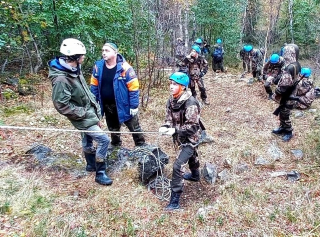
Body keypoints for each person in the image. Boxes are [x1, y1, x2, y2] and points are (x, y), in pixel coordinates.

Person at [49, 38, 112, 185]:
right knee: (104, 140)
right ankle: (100, 172)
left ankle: (90, 165)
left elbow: (84, 91)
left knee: (87, 137)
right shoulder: (61, 79)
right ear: (75, 57)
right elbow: (61, 105)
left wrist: (94, 109)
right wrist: (85, 114)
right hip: (80, 114)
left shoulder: (73, 69)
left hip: (87, 110)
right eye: (82, 55)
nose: (84, 57)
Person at [158, 72, 201, 210]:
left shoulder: (191, 102)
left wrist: (176, 131)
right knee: (191, 155)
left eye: (175, 84)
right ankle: (195, 175)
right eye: (170, 83)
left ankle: (174, 202)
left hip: (190, 138)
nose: (171, 86)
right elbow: (169, 119)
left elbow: (193, 126)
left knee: (178, 166)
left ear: (183, 87)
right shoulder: (171, 100)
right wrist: (166, 126)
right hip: (179, 137)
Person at [90, 43, 146, 148]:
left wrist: (134, 105)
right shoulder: (98, 66)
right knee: (113, 128)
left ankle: (141, 146)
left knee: (134, 127)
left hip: (125, 105)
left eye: (107, 50)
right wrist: (94, 102)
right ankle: (116, 147)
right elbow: (94, 86)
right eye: (103, 50)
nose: (104, 53)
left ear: (115, 52)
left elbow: (133, 88)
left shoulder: (124, 67)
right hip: (108, 105)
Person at [271, 43, 301, 142]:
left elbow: (284, 87)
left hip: (288, 95)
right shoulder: (296, 64)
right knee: (283, 112)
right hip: (292, 93)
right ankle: (282, 127)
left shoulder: (289, 68)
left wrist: (276, 91)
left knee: (285, 113)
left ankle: (288, 131)